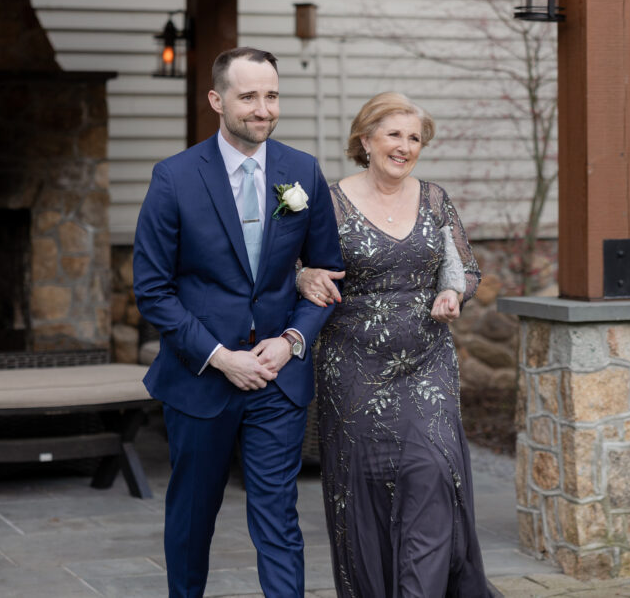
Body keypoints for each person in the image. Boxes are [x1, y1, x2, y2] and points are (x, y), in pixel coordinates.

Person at [133, 47, 344, 598]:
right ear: (217, 100)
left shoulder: (303, 172)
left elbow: (322, 276)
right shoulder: (174, 178)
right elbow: (153, 292)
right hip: (202, 376)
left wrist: (293, 340)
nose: (262, 108)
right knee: (192, 517)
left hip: (277, 379)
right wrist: (220, 357)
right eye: (248, 96)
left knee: (278, 518)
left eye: (271, 95)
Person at [298, 92, 491, 597]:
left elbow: (465, 266)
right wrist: (304, 280)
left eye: (414, 138)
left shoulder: (434, 199)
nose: (405, 146)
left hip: (427, 361)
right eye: (394, 135)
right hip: (354, 368)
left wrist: (453, 291)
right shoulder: (329, 201)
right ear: (365, 140)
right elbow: (293, 267)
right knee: (364, 492)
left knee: (431, 473)